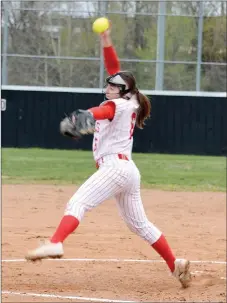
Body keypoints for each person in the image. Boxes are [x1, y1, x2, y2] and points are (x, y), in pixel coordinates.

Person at [25, 25, 191, 288]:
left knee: (77, 203)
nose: (108, 86)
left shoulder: (118, 104)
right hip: (128, 172)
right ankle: (176, 265)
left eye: (113, 86)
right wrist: (106, 41)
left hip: (114, 167)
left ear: (122, 90)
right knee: (140, 225)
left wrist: (86, 116)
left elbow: (104, 112)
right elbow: (116, 70)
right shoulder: (131, 98)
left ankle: (55, 243)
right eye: (109, 84)